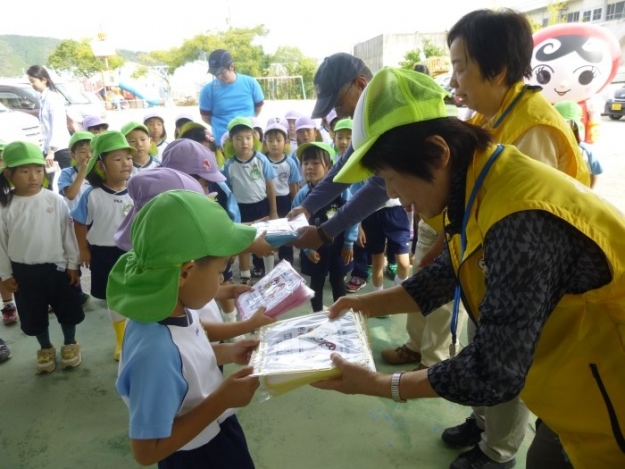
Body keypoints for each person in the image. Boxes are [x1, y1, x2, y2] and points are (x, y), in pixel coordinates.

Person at [313, 66, 625, 469]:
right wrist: (365, 305)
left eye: (390, 178)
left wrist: (378, 385)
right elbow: (448, 271)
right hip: (569, 385)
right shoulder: (479, 178)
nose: (391, 194)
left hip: (610, 402)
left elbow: (493, 370)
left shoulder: (519, 215)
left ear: (438, 152)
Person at [108, 190, 261, 468]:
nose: (221, 281)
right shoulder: (154, 352)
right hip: (196, 455)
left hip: (216, 428)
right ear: (187, 273)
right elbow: (147, 452)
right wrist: (221, 400)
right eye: (220, 272)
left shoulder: (171, 307)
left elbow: (187, 354)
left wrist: (228, 352)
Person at [113, 167, 275, 339]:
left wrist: (228, 292)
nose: (222, 279)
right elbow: (193, 338)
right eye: (220, 272)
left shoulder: (167, 292)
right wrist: (246, 326)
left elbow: (195, 332)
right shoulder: (161, 341)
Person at [0, 141, 84, 374]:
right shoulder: (5, 206)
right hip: (23, 272)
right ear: (9, 174)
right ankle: (45, 347)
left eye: (38, 170)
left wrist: (72, 264)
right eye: (24, 171)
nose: (33, 177)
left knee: (67, 309)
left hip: (57, 268)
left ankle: (70, 343)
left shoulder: (54, 200)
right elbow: (1, 245)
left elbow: (67, 234)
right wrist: (6, 274)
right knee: (33, 315)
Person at [71, 131, 134, 361]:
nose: (126, 163)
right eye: (117, 159)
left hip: (134, 252)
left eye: (128, 157)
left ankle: (137, 335)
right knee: (114, 298)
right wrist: (83, 249)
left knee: (137, 293)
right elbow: (79, 222)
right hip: (103, 253)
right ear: (101, 165)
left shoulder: (137, 189)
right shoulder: (92, 195)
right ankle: (121, 340)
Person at [292, 142, 356, 312]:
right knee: (316, 283)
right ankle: (317, 315)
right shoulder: (302, 194)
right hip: (314, 250)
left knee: (338, 280)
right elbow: (297, 225)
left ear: (329, 167)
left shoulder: (343, 192)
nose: (309, 168)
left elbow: (353, 216)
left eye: (315, 163)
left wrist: (349, 243)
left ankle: (340, 315)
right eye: (305, 163)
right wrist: (306, 250)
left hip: (339, 247)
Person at [222, 117, 278, 283]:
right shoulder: (229, 165)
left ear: (254, 138)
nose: (244, 142)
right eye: (238, 139)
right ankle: (245, 274)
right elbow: (228, 190)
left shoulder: (261, 160)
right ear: (231, 141)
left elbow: (270, 187)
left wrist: (273, 210)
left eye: (247, 138)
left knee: (265, 239)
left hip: (260, 206)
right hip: (240, 209)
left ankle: (269, 274)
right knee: (243, 242)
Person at [199, 49, 265, 145]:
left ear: (232, 67)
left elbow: (258, 109)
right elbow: (205, 117)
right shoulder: (208, 90)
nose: (219, 76)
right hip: (223, 142)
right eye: (215, 74)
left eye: (222, 72)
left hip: (249, 141)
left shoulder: (251, 83)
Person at [262, 117, 301, 265]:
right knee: (266, 231)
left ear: (285, 142)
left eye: (278, 140)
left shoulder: (290, 162)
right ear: (265, 142)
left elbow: (293, 186)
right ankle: (262, 261)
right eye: (270, 140)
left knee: (284, 231)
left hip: (284, 200)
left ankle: (286, 259)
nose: (274, 144)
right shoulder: (262, 160)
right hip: (266, 200)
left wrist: (296, 206)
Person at [26, 65, 71, 186]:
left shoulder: (53, 99)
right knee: (48, 182)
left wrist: (51, 151)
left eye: (33, 81)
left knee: (68, 181)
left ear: (44, 80)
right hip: (49, 149)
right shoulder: (43, 98)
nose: (32, 85)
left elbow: (58, 125)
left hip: (60, 149)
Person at [554, 100, 603, 188]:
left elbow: (595, 173)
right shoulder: (548, 145)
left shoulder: (584, 151)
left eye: (565, 124)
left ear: (575, 127)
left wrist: (589, 192)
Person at [58, 131, 93, 212]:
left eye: (92, 150)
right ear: (73, 155)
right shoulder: (66, 173)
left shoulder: (99, 171)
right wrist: (82, 172)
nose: (89, 155)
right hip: (75, 219)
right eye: (83, 152)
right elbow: (71, 195)